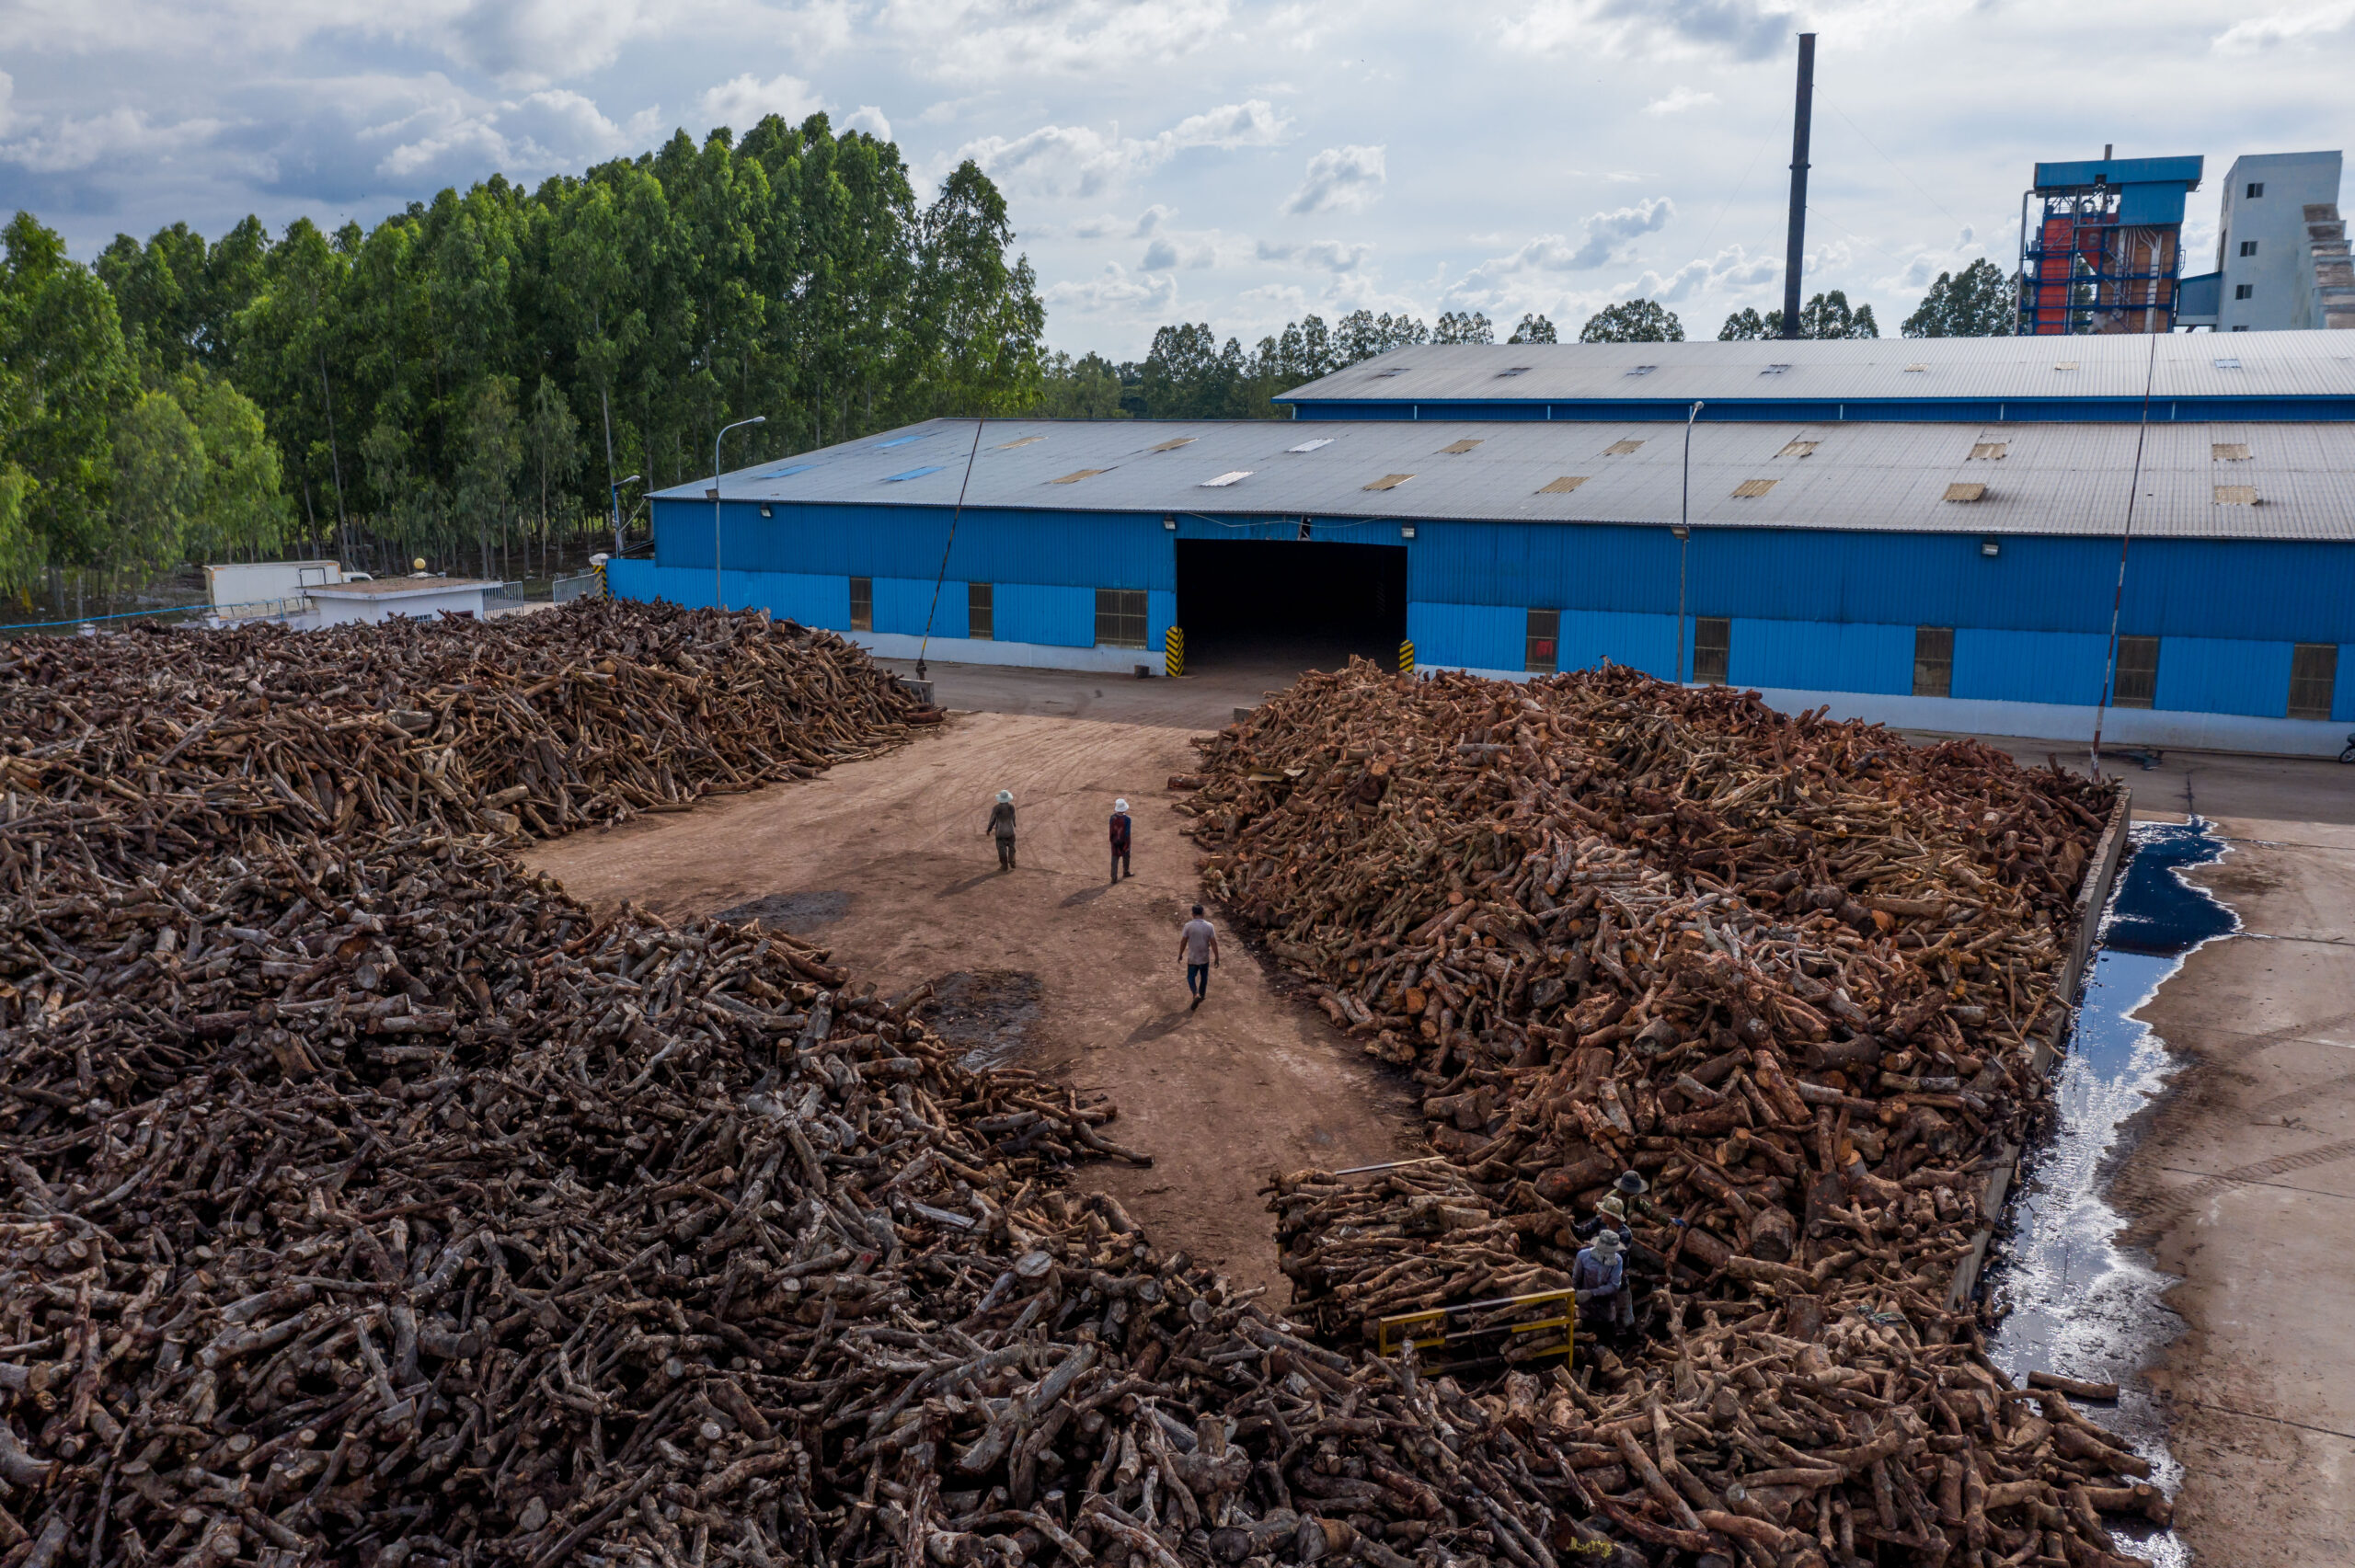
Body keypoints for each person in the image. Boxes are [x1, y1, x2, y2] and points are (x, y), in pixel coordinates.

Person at [1571, 1227, 1634, 1337]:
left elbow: (1614, 1285)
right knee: (1585, 1338)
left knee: (1606, 1339)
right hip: (1585, 1309)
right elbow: (1576, 1279)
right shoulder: (1583, 1256)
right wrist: (1576, 1295)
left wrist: (1591, 1293)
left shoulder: (1617, 1260)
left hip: (1606, 1309)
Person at [1179, 905, 1219, 1010]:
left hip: (1192, 957)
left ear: (1193, 914)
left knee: (1190, 977)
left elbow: (1183, 941)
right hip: (1204, 957)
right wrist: (1217, 957)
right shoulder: (1209, 926)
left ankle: (1195, 994)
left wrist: (1180, 954)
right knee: (1204, 977)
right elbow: (1213, 943)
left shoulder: (1188, 926)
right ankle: (1201, 995)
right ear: (1203, 914)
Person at [984, 789, 1017, 871]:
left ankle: (1004, 865)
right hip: (1011, 831)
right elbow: (1013, 817)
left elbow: (992, 820)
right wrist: (1014, 824)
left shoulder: (996, 808)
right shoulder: (1011, 807)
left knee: (1001, 849)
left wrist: (989, 829)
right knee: (1012, 847)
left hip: (1000, 833)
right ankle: (1012, 861)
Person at [1109, 798, 1132, 882]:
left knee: (1114, 859)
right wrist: (1127, 843)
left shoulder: (1112, 818)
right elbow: (1127, 832)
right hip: (1124, 842)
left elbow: (1111, 830)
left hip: (1115, 842)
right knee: (1126, 857)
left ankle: (1114, 877)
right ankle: (1126, 872)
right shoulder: (1127, 819)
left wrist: (1112, 840)